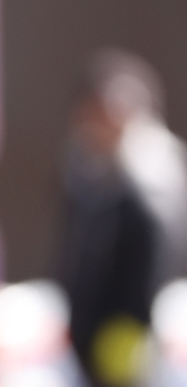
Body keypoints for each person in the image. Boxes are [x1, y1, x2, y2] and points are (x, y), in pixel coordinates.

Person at [58, 49, 187, 386]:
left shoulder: (150, 177)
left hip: (126, 336)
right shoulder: (91, 174)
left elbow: (151, 263)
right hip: (95, 333)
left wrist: (128, 324)